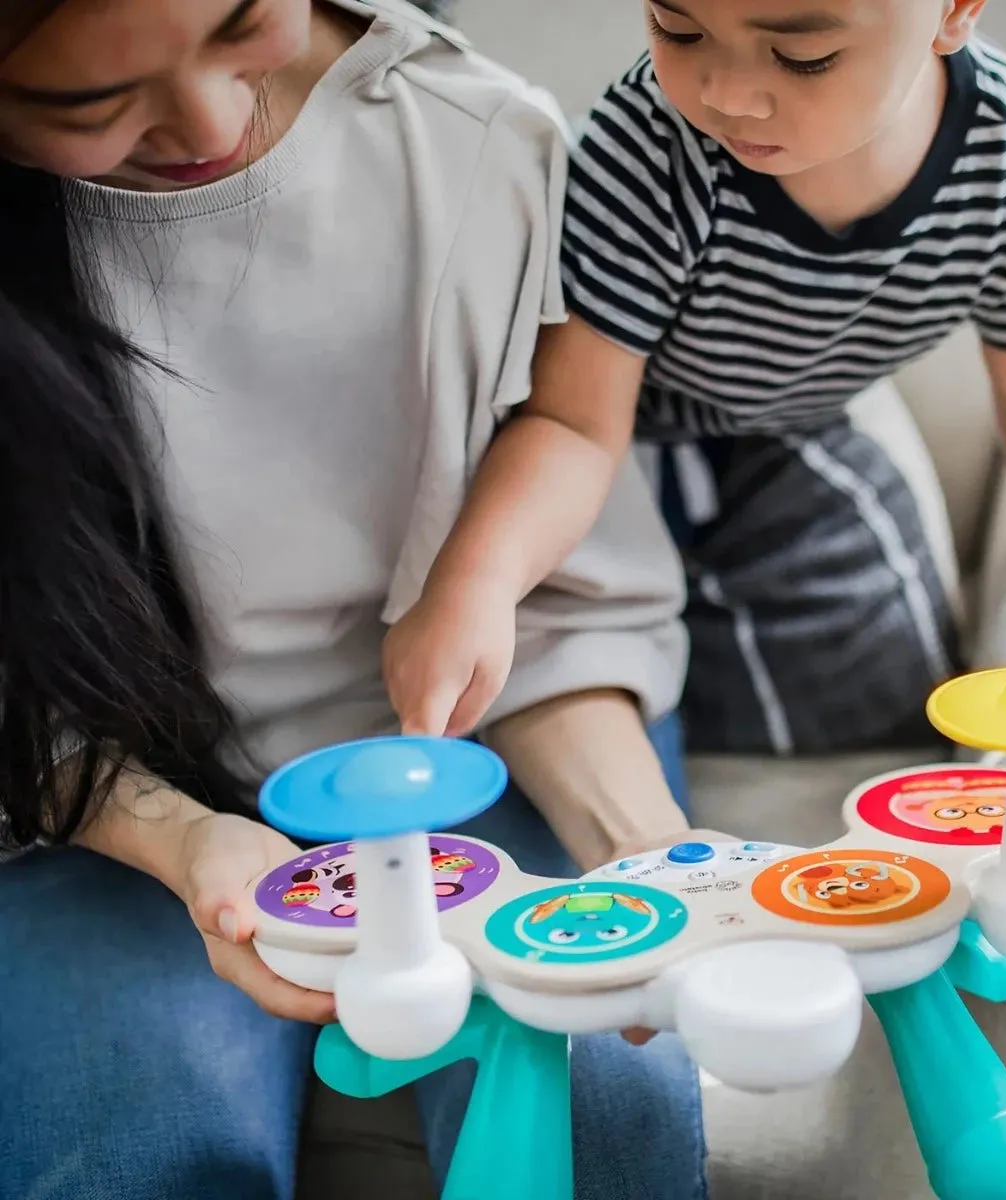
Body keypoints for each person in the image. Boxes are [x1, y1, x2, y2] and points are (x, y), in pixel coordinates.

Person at [0, 2, 712, 1197]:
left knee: (609, 1105)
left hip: (490, 743)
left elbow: (558, 602)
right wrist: (180, 846)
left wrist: (654, 860)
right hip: (86, 795)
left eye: (240, 22)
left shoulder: (471, 143)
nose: (213, 122)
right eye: (88, 104)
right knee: (134, 1161)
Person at [384, 0, 1006, 755]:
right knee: (572, 654)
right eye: (679, 29)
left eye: (803, 56)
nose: (728, 94)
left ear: (953, 12)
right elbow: (574, 425)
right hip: (623, 444)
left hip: (792, 428)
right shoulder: (649, 143)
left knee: (891, 679)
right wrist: (477, 583)